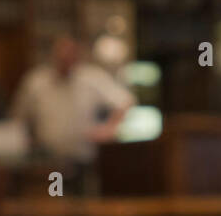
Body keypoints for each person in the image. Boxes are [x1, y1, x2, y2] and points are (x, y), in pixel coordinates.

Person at [11, 36, 134, 167]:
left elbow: (125, 101)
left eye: (70, 55)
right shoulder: (36, 81)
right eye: (61, 56)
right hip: (46, 160)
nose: (65, 60)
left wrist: (109, 129)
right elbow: (19, 116)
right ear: (53, 55)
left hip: (84, 158)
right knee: (52, 186)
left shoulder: (92, 78)